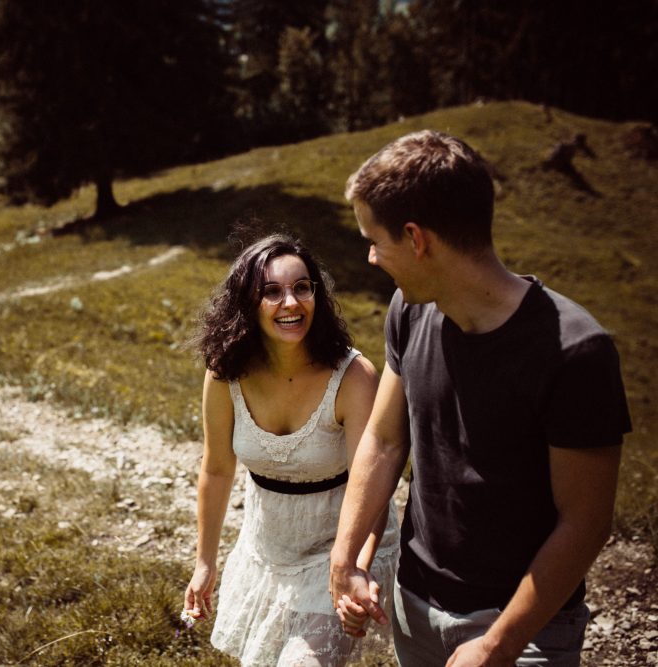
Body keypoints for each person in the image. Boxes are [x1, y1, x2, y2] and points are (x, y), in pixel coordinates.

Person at [328, 130, 632, 666]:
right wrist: (345, 555)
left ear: (418, 239)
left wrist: (499, 643)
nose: (372, 257)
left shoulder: (576, 350)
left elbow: (586, 523)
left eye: (375, 239)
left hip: (524, 627)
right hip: (416, 602)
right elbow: (382, 438)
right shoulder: (408, 309)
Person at [183, 233, 400, 666]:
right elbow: (217, 469)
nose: (291, 303)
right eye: (272, 292)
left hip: (341, 550)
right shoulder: (226, 372)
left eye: (302, 287)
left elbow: (375, 480)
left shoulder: (353, 377)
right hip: (268, 551)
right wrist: (205, 562)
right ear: (247, 302)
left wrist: (355, 567)